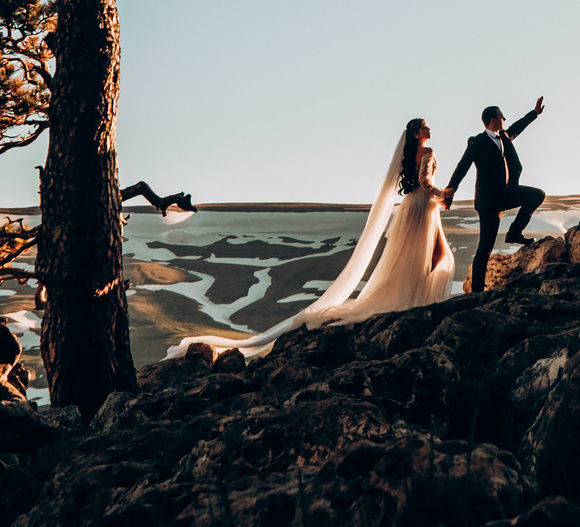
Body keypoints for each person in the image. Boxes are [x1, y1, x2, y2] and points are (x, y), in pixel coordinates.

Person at [164, 117, 452, 358]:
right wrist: (444, 195)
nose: (429, 130)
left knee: (419, 252)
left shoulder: (408, 155)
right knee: (436, 253)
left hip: (412, 207)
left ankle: (415, 293)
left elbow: (416, 184)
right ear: (417, 133)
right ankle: (419, 297)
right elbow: (427, 183)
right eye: (425, 127)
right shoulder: (428, 153)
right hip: (424, 207)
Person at [443, 97, 545, 293]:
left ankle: (514, 232)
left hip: (507, 192)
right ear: (492, 120)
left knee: (537, 195)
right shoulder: (477, 142)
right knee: (485, 248)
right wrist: (451, 190)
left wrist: (534, 113)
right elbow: (462, 167)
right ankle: (476, 293)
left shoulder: (505, 136)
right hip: (489, 201)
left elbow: (518, 126)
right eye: (501, 116)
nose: (505, 119)